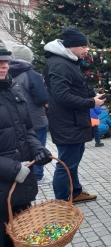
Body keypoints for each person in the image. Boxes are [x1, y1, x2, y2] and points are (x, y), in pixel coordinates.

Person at [0, 39, 52, 247]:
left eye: (5, 60)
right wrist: (13, 169)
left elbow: (26, 128)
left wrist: (38, 150)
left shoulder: (12, 88)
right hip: (6, 182)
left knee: (23, 238)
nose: (3, 65)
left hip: (19, 187)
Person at [43, 27, 104, 203]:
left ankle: (75, 192)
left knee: (73, 160)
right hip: (67, 123)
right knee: (66, 165)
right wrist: (90, 103)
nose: (87, 50)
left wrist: (90, 97)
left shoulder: (67, 62)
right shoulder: (59, 64)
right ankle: (61, 202)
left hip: (74, 122)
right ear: (72, 46)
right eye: (84, 46)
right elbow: (61, 96)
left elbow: (70, 90)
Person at [8, 44, 51, 186]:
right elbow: (42, 98)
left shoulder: (7, 75)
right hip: (36, 119)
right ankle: (38, 176)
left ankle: (22, 174)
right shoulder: (33, 75)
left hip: (15, 120)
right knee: (38, 147)